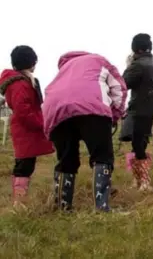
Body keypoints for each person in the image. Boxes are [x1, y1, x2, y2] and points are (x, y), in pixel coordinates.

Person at [42, 51, 127, 212]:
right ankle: (101, 207)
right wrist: (114, 115)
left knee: (66, 159)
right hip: (92, 108)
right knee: (102, 157)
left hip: (57, 112)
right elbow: (119, 88)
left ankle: (62, 207)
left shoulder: (62, 71)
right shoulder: (99, 60)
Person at [0, 46, 54, 207]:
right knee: (24, 165)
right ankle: (19, 202)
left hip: (26, 129)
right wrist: (40, 123)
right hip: (26, 130)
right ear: (31, 62)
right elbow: (22, 109)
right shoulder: (20, 84)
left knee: (26, 164)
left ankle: (20, 200)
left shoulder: (20, 81)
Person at [123, 33, 153, 191]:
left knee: (137, 144)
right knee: (141, 142)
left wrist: (128, 67)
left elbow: (123, 83)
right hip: (150, 107)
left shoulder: (138, 65)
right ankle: (138, 180)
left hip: (138, 108)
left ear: (135, 48)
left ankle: (144, 181)